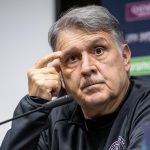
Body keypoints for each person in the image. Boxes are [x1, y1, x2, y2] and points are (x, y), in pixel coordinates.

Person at [1, 5, 150, 150]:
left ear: (124, 57)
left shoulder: (146, 105)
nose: (86, 68)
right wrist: (34, 104)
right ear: (61, 75)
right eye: (72, 58)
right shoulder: (54, 122)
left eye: (98, 50)